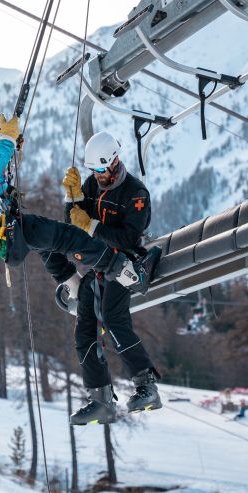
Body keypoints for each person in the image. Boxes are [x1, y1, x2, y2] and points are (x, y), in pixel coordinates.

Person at [0, 102, 160, 296]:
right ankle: (128, 274)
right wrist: (7, 141)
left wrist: (9, 145)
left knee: (46, 244)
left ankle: (72, 285)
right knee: (67, 236)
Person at [62, 131, 163, 426]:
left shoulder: (136, 193)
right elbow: (75, 223)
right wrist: (72, 199)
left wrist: (92, 226)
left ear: (114, 162)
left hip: (123, 263)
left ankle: (146, 386)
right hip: (97, 264)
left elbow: (130, 237)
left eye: (100, 168)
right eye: (93, 169)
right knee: (84, 328)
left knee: (113, 318)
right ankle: (99, 399)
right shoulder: (92, 185)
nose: (97, 175)